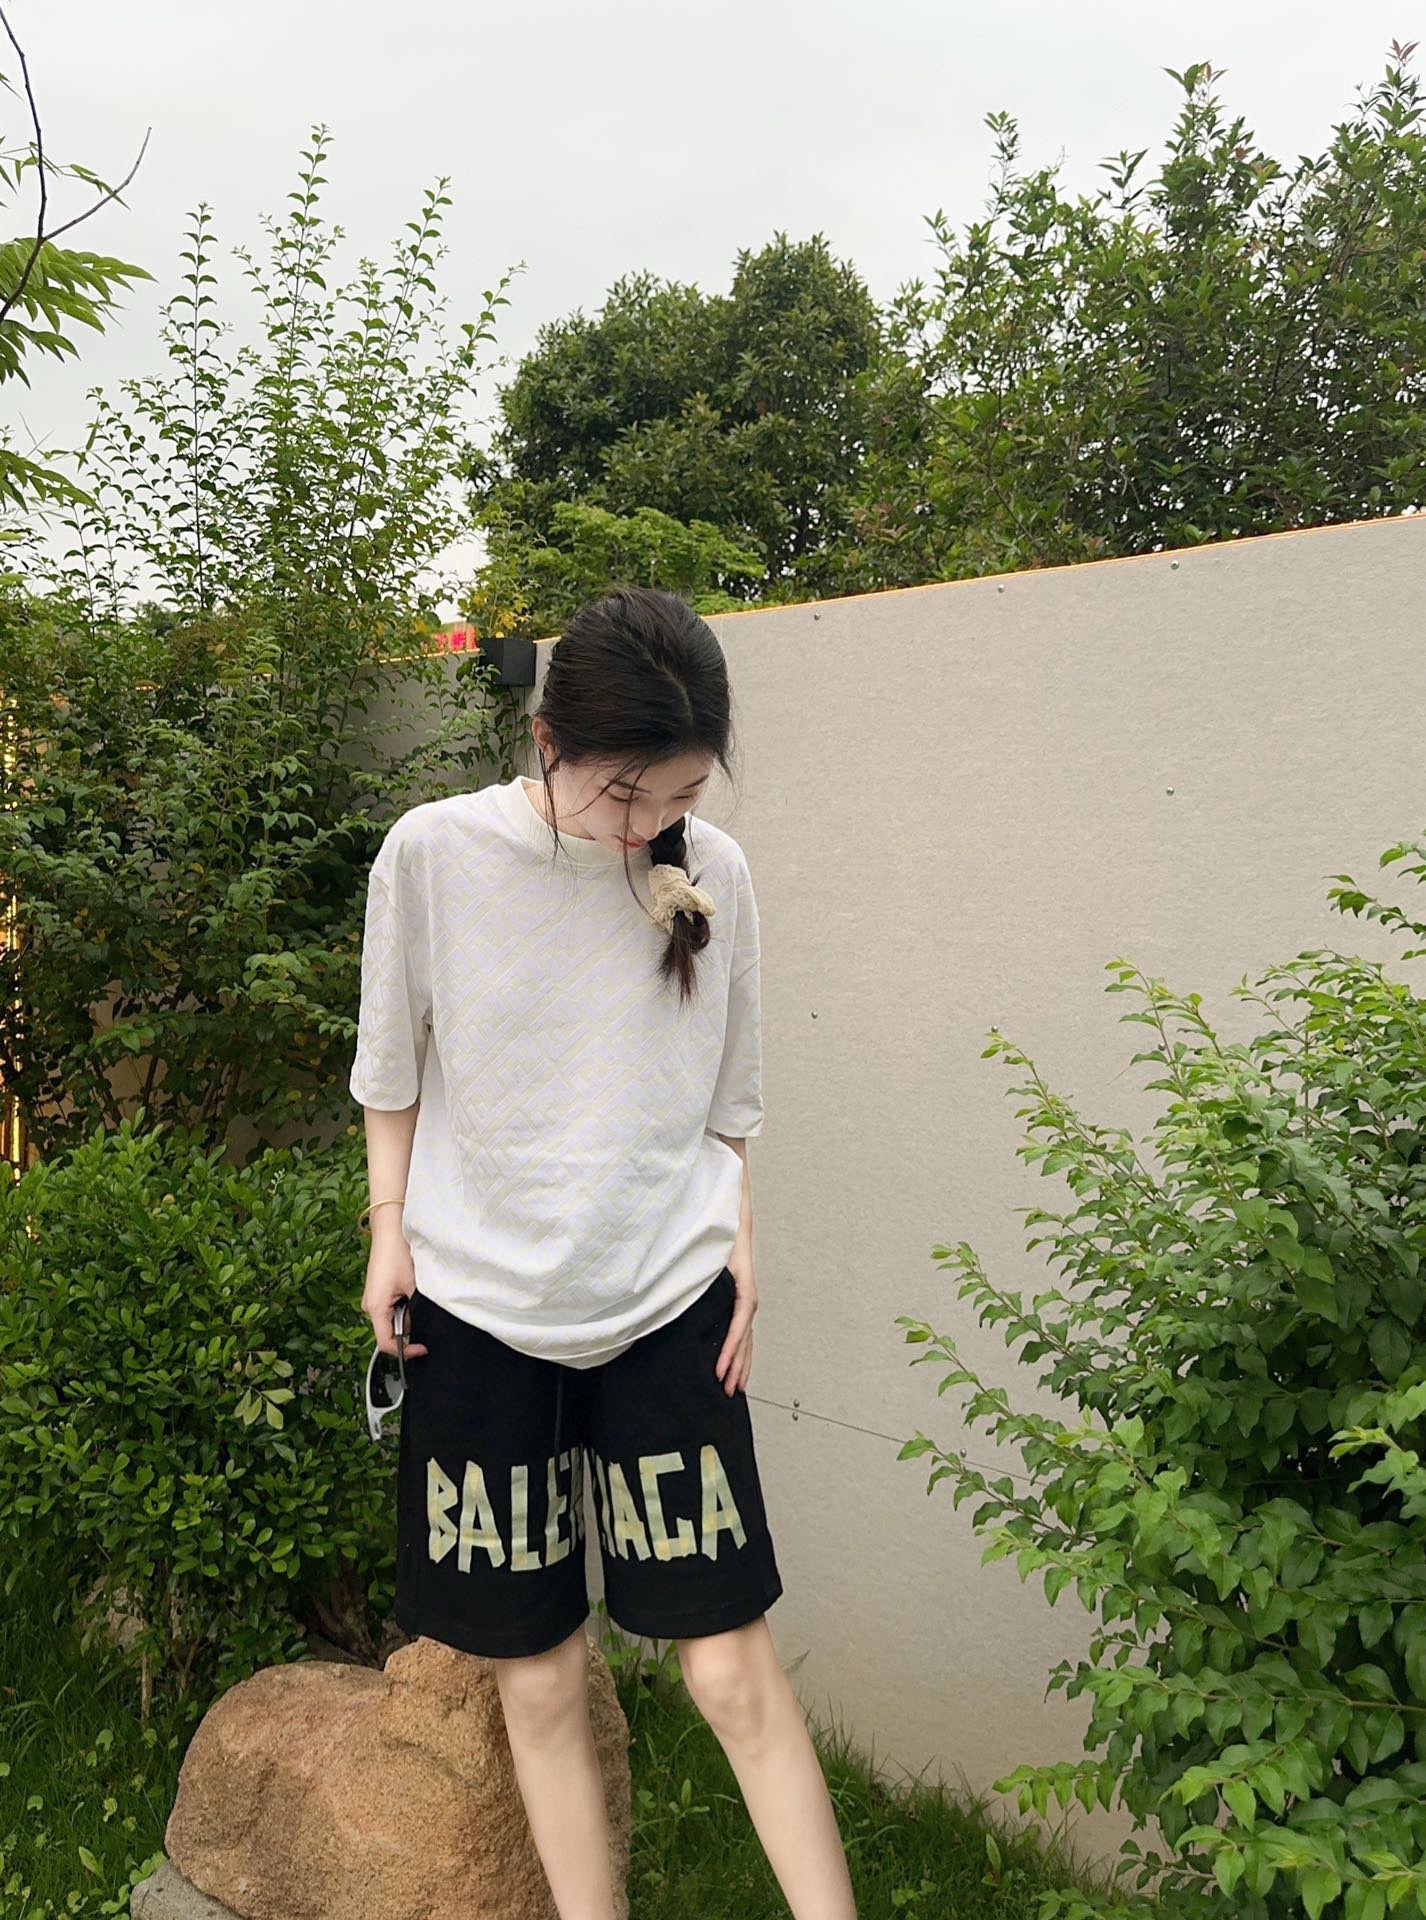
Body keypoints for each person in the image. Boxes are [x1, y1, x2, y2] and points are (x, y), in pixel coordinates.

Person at [349, 584, 857, 1919]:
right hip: (478, 1312)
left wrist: (743, 1246)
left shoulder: (716, 874)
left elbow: (727, 1102)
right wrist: (387, 1232)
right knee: (540, 1677)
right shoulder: (432, 855)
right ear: (546, 742)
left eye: (678, 794)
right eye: (624, 793)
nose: (648, 825)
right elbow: (390, 1069)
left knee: (730, 1670)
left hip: (666, 1306)